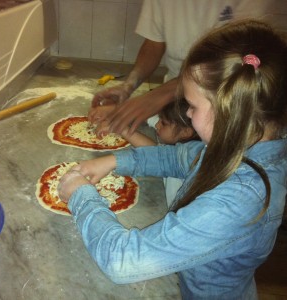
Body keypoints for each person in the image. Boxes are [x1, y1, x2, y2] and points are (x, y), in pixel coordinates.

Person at [58, 19, 287, 299]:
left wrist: (81, 195)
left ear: (230, 112)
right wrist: (114, 161)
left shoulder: (241, 200)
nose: (188, 115)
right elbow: (176, 158)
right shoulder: (240, 145)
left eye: (192, 106)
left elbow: (123, 261)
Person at [89, 0, 283, 136]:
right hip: (184, 98)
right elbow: (154, 43)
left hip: (225, 98)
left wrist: (159, 96)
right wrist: (128, 87)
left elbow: (242, 58)